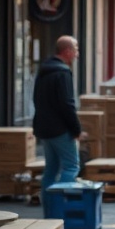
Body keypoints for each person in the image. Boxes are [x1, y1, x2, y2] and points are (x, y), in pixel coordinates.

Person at [32, 35, 87, 196]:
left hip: (44, 128)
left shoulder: (43, 71)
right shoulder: (63, 73)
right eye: (76, 49)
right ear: (67, 51)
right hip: (60, 130)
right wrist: (76, 130)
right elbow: (67, 104)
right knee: (71, 166)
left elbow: (36, 99)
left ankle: (49, 207)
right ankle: (61, 205)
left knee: (51, 168)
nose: (77, 54)